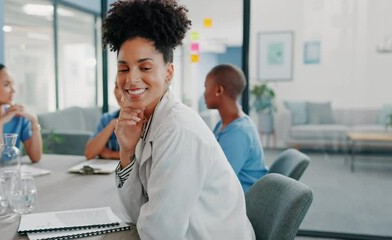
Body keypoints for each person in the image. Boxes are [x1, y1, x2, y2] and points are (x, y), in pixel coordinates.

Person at [103, 1, 255, 239]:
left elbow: (159, 233)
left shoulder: (178, 130)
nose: (131, 80)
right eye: (123, 69)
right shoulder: (148, 120)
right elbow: (136, 214)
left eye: (144, 68)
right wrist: (127, 152)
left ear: (168, 73)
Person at [204, 64, 268, 192]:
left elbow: (217, 180)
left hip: (241, 201)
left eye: (206, 87)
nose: (204, 93)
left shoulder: (238, 132)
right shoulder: (224, 124)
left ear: (219, 90)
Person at [84, 83, 122, 160]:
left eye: (123, 87)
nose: (118, 92)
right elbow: (89, 153)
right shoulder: (107, 119)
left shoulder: (145, 120)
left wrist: (111, 154)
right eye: (116, 87)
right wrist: (112, 124)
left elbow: (142, 158)